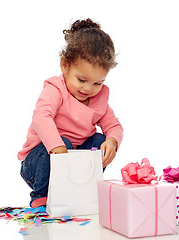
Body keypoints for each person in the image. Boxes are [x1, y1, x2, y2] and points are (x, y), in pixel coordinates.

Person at [17, 18, 123, 208]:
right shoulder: (55, 89)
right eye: (81, 80)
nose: (88, 89)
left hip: (71, 169)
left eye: (97, 83)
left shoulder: (100, 98)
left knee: (99, 141)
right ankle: (40, 197)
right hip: (39, 165)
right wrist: (57, 147)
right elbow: (41, 117)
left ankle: (83, 190)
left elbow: (113, 125)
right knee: (63, 141)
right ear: (65, 65)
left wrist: (112, 141)